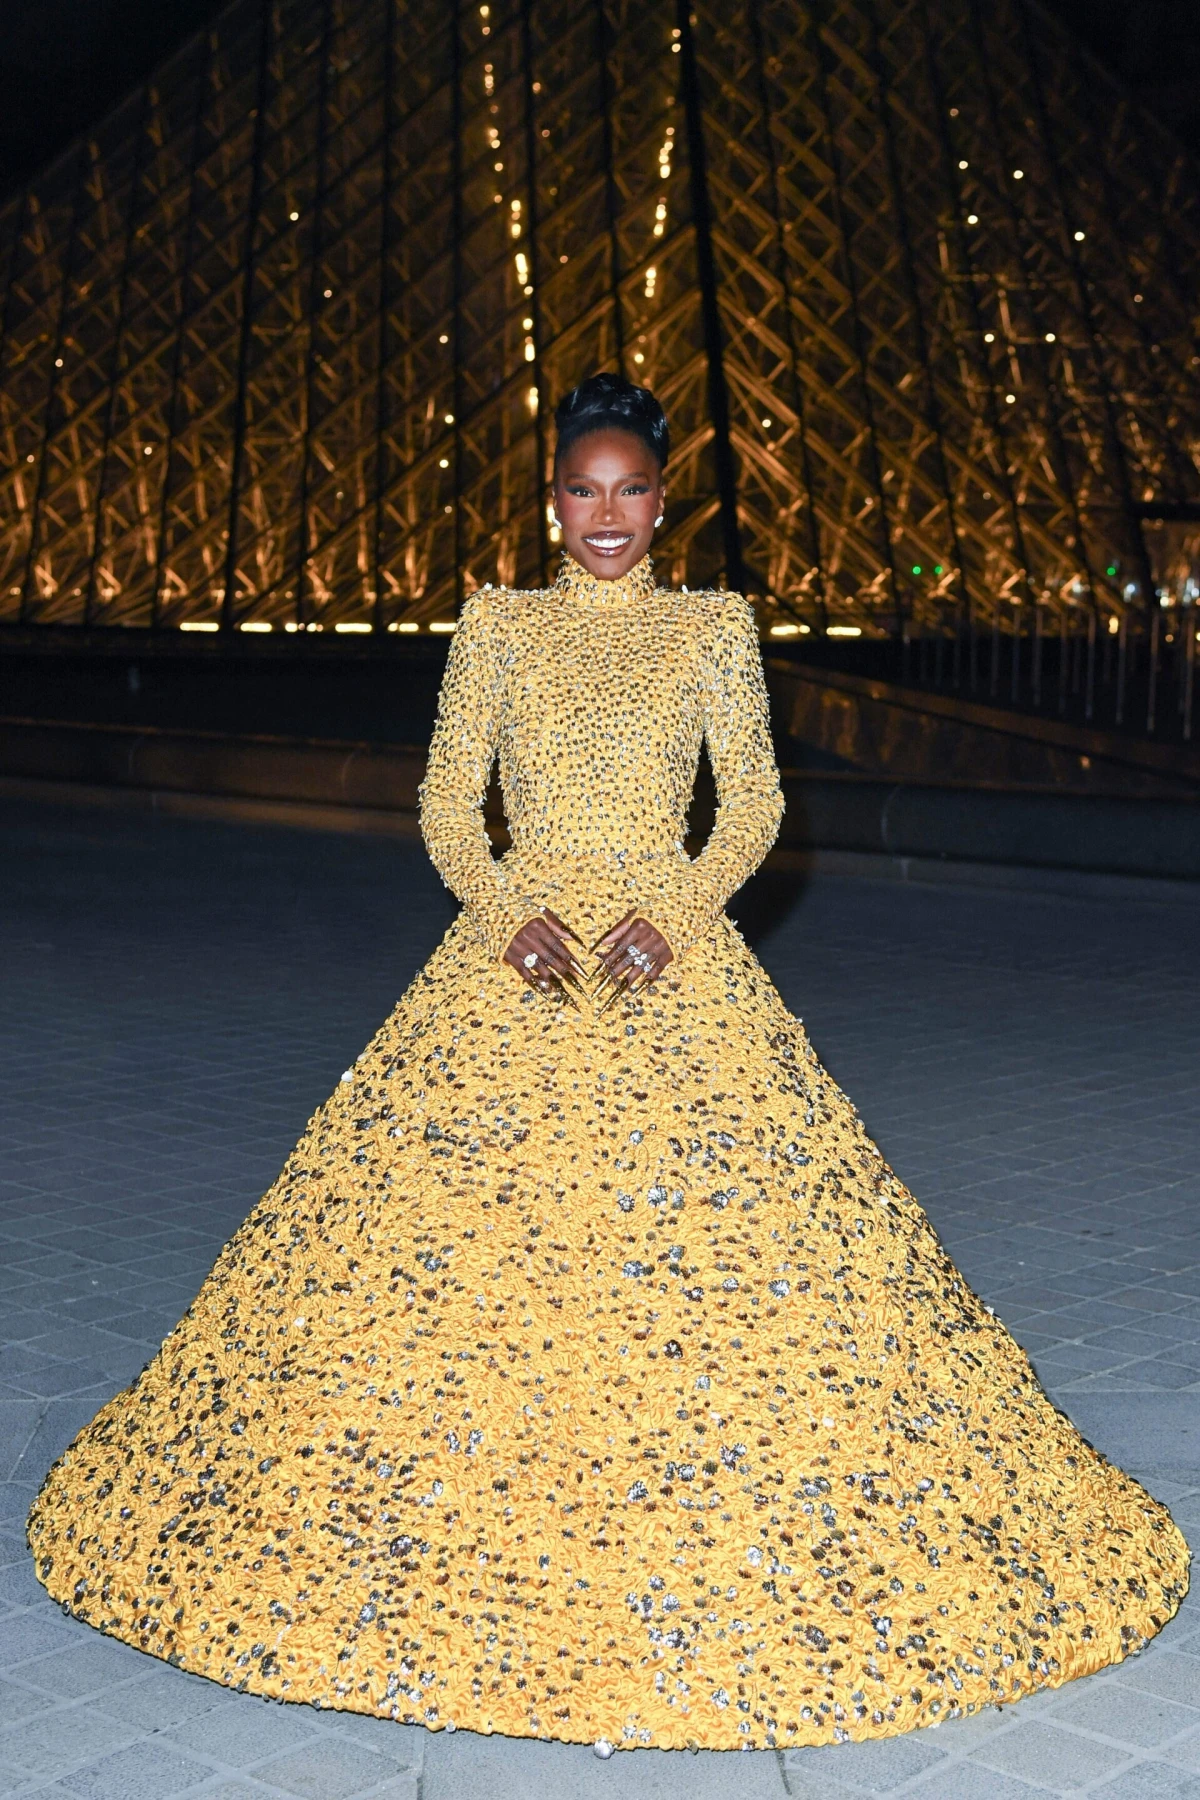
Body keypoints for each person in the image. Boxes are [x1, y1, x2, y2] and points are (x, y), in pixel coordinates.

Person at [28, 374, 1187, 1757]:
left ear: (662, 502)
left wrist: (684, 911)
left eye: (632, 490)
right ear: (551, 500)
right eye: (584, 490)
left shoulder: (713, 628)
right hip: (512, 952)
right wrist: (501, 910)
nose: (607, 516)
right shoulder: (498, 627)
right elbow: (447, 799)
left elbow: (752, 799)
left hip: (668, 952)